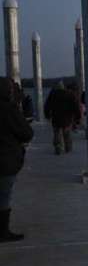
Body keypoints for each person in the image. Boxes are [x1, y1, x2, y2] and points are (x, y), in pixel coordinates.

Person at [0, 77, 33, 242]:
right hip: (6, 159)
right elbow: (26, 133)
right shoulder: (9, 109)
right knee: (4, 196)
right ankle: (3, 232)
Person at [44, 81, 82, 155]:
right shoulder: (70, 94)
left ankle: (58, 147)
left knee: (57, 133)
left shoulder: (52, 94)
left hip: (56, 118)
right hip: (67, 118)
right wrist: (78, 117)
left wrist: (47, 115)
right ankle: (68, 148)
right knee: (67, 133)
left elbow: (47, 106)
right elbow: (75, 106)